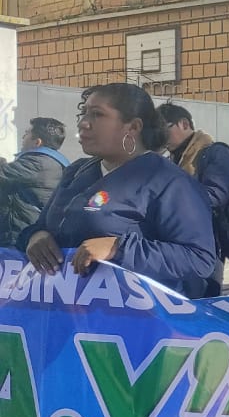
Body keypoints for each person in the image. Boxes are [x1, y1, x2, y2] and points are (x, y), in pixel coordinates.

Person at [22, 83, 216, 295]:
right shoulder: (76, 172)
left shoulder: (169, 182)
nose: (83, 123)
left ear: (133, 127)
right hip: (64, 309)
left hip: (134, 312)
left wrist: (119, 248)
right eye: (83, 113)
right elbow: (43, 225)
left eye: (97, 114)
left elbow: (199, 259)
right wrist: (35, 236)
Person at [157, 104, 229, 297]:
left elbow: (215, 196)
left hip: (206, 246)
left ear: (184, 124)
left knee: (201, 302)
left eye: (163, 129)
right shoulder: (171, 159)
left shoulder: (216, 153)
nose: (160, 137)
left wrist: (168, 200)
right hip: (175, 245)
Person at [1, 118, 69, 248]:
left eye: (26, 133)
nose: (23, 137)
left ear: (37, 142)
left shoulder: (36, 163)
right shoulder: (53, 162)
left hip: (19, 237)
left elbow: (3, 173)